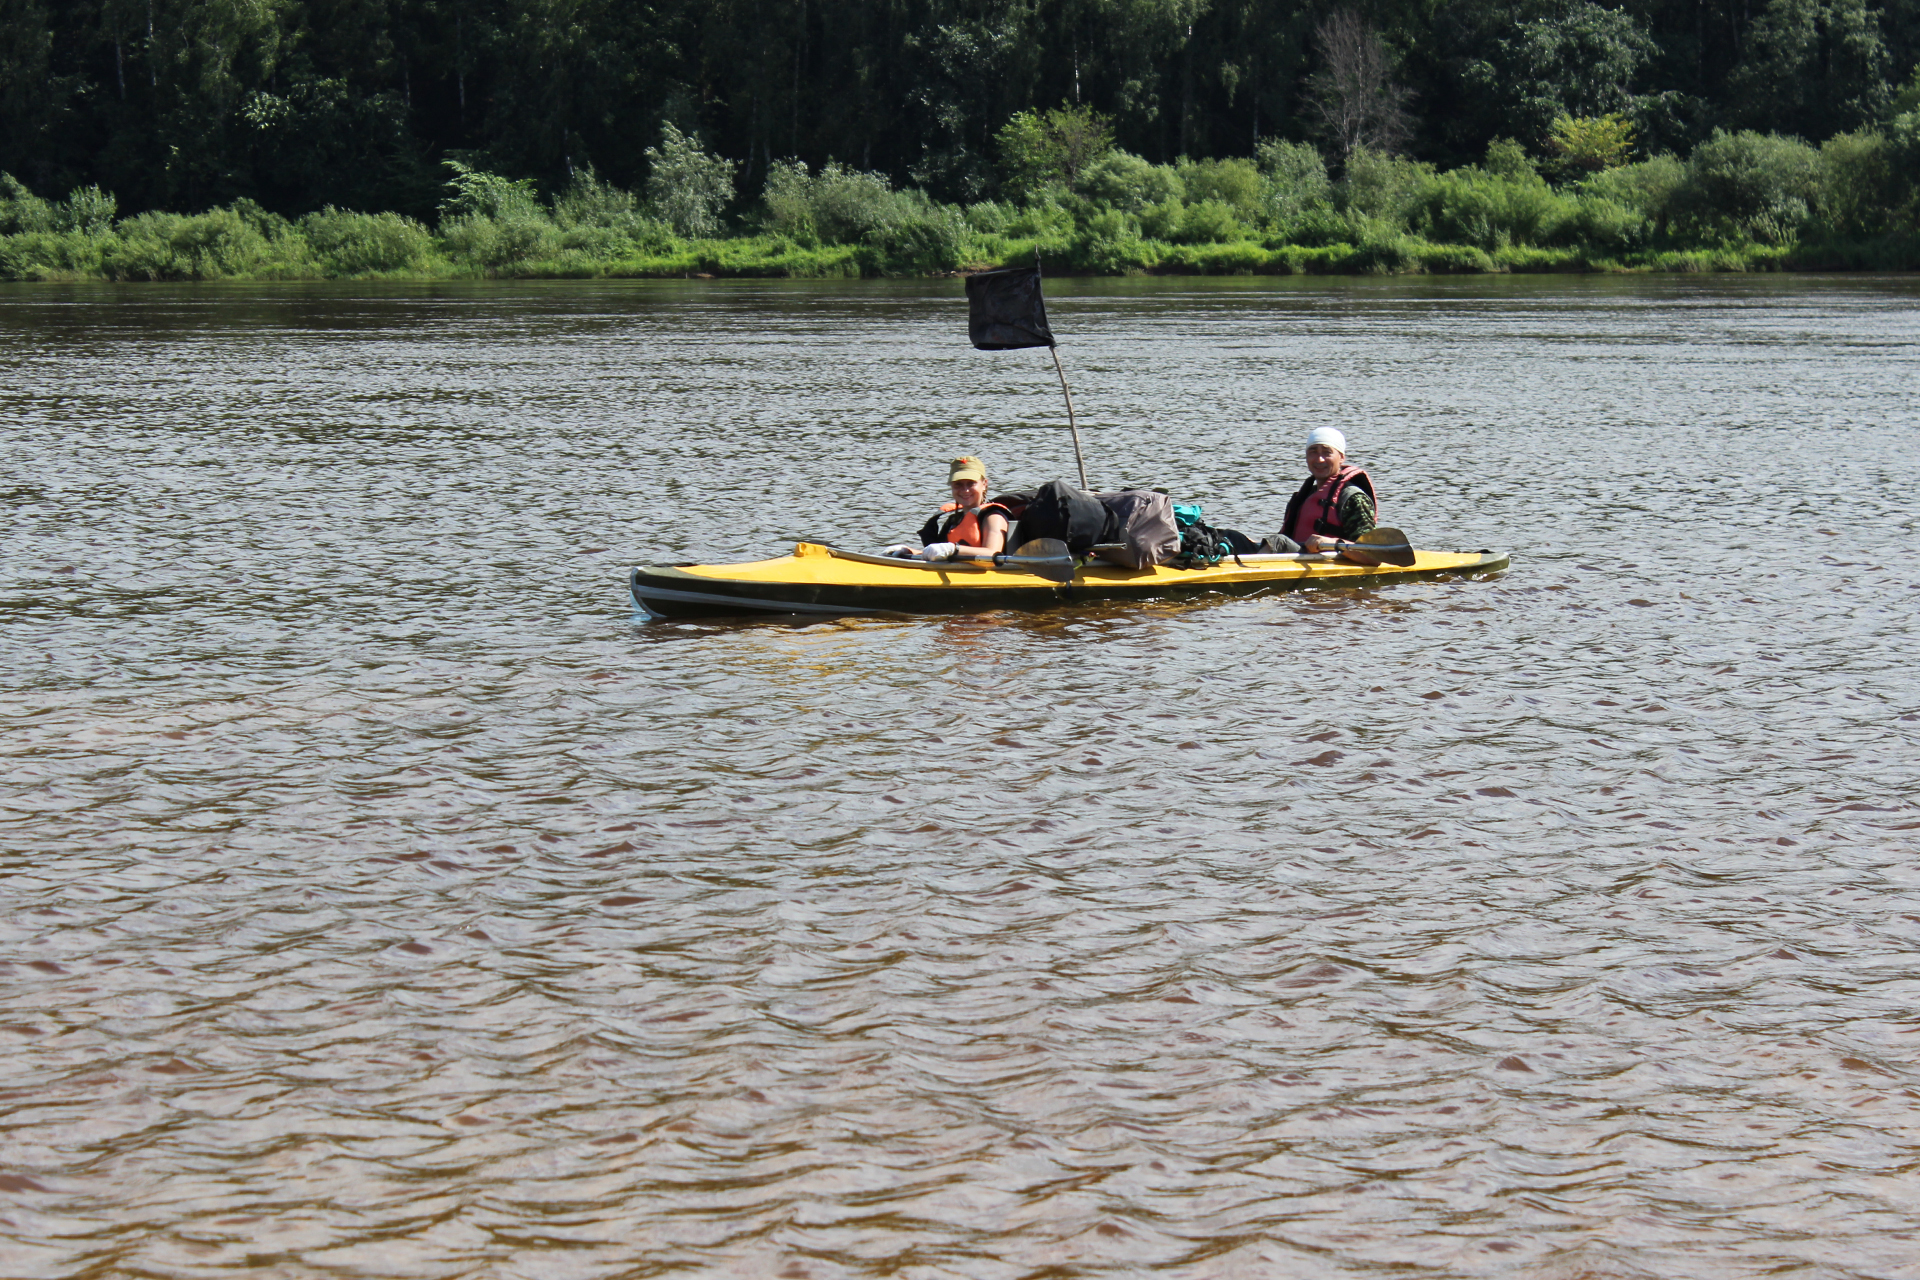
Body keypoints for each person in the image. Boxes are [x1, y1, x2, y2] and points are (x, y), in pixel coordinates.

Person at [1259, 426, 1378, 557]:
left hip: (1329, 562)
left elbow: (1372, 554)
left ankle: (1251, 573)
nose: (1319, 459)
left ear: (1341, 457)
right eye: (1313, 452)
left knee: (1277, 542)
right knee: (1234, 537)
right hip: (1300, 556)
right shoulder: (1305, 496)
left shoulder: (1353, 498)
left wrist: (1332, 543)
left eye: (1327, 452)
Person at [883, 456, 1015, 561]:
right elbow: (938, 551)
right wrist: (909, 551)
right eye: (958, 484)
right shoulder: (953, 520)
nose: (965, 490)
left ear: (984, 484)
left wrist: (953, 549)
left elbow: (992, 552)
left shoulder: (993, 516)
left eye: (971, 483)